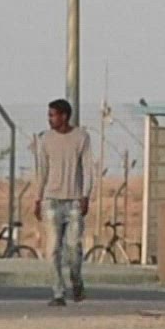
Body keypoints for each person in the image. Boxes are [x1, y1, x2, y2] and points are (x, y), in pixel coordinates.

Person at [32, 97, 92, 306]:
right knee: (53, 249)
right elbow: (42, 171)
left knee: (73, 248)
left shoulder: (81, 137)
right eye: (49, 115)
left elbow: (87, 168)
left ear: (64, 116)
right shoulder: (45, 139)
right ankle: (58, 292)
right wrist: (38, 198)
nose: (49, 119)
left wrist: (85, 195)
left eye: (53, 115)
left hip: (74, 201)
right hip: (51, 200)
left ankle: (76, 282)